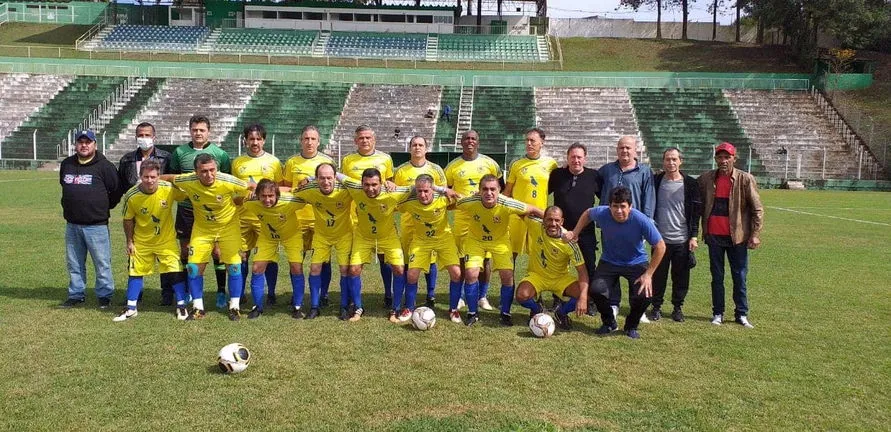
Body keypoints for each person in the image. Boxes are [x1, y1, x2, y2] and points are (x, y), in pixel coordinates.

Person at [162, 153, 251, 321]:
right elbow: (167, 177)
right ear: (196, 172)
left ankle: (234, 307)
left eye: (212, 170)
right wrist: (149, 182)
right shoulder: (187, 180)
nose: (209, 175)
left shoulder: (228, 180)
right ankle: (198, 308)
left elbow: (251, 187)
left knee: (234, 267)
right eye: (204, 171)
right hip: (203, 229)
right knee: (194, 268)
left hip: (228, 228)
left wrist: (240, 200)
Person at [569, 186, 666, 339]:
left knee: (644, 296)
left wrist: (648, 274)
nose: (619, 210)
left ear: (630, 207)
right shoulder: (602, 213)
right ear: (610, 206)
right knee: (596, 290)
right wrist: (575, 232)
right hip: (610, 261)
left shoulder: (641, 220)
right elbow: (588, 213)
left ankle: (631, 326)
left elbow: (660, 246)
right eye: (615, 206)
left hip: (636, 262)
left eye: (623, 206)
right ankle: (609, 323)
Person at [455, 174, 543, 326]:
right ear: (479, 190)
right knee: (471, 274)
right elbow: (450, 203)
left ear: (499, 190)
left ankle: (505, 313)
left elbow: (533, 209)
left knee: (507, 275)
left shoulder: (507, 203)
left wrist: (553, 222)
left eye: (492, 189)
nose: (489, 193)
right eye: (485, 189)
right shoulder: (470, 202)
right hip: (475, 241)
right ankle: (472, 313)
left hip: (500, 241)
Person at [168, 115, 232, 311]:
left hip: (213, 213)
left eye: (202, 130)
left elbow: (227, 181)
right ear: (190, 130)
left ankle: (221, 291)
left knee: (217, 252)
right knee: (187, 251)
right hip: (187, 210)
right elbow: (173, 178)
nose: (198, 133)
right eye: (194, 129)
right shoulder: (179, 152)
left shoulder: (220, 154)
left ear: (208, 132)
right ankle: (189, 289)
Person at [699, 142, 764, 328]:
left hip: (737, 237)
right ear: (715, 159)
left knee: (739, 276)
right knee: (717, 277)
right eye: (720, 157)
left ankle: (741, 314)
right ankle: (717, 312)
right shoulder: (706, 179)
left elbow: (757, 208)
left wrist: (755, 233)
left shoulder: (745, 179)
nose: (723, 160)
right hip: (714, 236)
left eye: (727, 157)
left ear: (734, 158)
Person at [115, 160, 189, 321]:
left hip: (166, 240)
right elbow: (128, 220)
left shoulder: (168, 189)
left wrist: (172, 179)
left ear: (159, 176)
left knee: (175, 270)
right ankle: (131, 308)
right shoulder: (131, 195)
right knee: (135, 272)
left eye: (153, 177)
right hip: (142, 241)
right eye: (146, 177)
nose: (150, 180)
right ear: (140, 176)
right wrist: (129, 241)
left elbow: (186, 193)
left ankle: (182, 306)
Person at [338, 168, 413, 322]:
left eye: (374, 184)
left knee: (399, 269)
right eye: (366, 185)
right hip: (363, 236)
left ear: (381, 183)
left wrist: (443, 190)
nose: (370, 189)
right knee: (354, 270)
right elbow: (335, 174)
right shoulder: (355, 188)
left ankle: (395, 308)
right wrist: (310, 179)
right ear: (361, 183)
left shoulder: (393, 192)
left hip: (388, 237)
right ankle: (358, 307)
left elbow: (416, 186)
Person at [59, 129, 122, 309]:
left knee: (102, 263)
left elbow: (116, 190)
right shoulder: (67, 164)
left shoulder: (105, 166)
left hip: (96, 225)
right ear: (75, 144)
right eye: (81, 142)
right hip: (72, 225)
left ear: (95, 144)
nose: (84, 145)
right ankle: (76, 294)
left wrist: (102, 207)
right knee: (74, 263)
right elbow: (64, 185)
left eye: (88, 142)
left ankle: (105, 295)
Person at [598, 135, 655, 322]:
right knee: (612, 261)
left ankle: (638, 308)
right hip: (610, 226)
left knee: (635, 264)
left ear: (635, 150)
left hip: (635, 227)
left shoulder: (645, 171)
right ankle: (613, 303)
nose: (625, 151)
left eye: (628, 148)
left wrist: (647, 224)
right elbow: (598, 189)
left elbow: (649, 197)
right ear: (617, 150)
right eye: (621, 148)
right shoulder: (607, 170)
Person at [116, 122, 174, 304]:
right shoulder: (126, 160)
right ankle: (135, 295)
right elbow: (121, 185)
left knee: (165, 257)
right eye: (141, 135)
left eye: (147, 135)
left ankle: (167, 295)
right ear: (136, 137)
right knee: (135, 253)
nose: (144, 138)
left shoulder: (166, 158)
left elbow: (172, 181)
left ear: (154, 137)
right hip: (137, 211)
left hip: (159, 211)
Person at [444, 130, 502, 311]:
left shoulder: (490, 163)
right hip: (463, 219)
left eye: (473, 138)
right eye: (467, 138)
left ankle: (482, 296)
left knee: (486, 258)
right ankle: (461, 295)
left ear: (478, 142)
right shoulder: (453, 166)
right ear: (461, 142)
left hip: (487, 218)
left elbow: (503, 188)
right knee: (462, 257)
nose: (470, 141)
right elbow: (445, 191)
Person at [341, 125, 396, 308]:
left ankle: (388, 294)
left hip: (380, 218)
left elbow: (391, 185)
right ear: (355, 140)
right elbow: (344, 187)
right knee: (354, 262)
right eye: (361, 138)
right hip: (356, 219)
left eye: (368, 138)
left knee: (384, 259)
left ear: (374, 139)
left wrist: (389, 182)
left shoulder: (385, 158)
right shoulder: (348, 160)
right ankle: (351, 297)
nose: (365, 141)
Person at [397, 174, 464, 323]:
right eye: (419, 191)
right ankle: (409, 307)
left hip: (444, 239)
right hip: (421, 241)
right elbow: (394, 201)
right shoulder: (410, 202)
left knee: (456, 273)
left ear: (432, 190)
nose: (423, 194)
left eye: (426, 191)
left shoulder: (443, 199)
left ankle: (453, 310)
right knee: (412, 275)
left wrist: (444, 190)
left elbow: (461, 198)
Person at [282, 125, 336, 308]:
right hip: (298, 218)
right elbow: (287, 189)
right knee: (298, 258)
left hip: (321, 218)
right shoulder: (292, 162)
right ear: (301, 141)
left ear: (319, 142)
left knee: (323, 259)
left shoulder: (327, 161)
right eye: (306, 138)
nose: (309, 142)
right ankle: (297, 293)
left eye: (313, 139)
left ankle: (324, 294)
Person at [292, 163, 354, 320]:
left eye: (329, 178)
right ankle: (314, 307)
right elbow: (290, 193)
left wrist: (312, 177)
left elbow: (360, 186)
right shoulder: (310, 190)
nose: (326, 182)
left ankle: (344, 306)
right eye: (321, 178)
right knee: (314, 269)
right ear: (316, 179)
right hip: (321, 236)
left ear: (335, 178)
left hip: (344, 235)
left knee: (345, 270)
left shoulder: (345, 190)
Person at [231, 124, 282, 306]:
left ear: (264, 140)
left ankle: (272, 292)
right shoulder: (237, 163)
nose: (255, 142)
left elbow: (279, 190)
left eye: (258, 139)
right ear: (245, 141)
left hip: (266, 218)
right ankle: (241, 292)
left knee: (269, 256)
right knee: (242, 255)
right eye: (251, 139)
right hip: (243, 217)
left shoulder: (274, 162)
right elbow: (234, 191)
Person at [648, 148, 701, 322]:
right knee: (658, 275)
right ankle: (656, 307)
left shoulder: (691, 184)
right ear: (663, 162)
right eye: (667, 159)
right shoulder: (655, 181)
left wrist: (693, 235)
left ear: (680, 161)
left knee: (681, 276)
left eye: (674, 159)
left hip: (682, 239)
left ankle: (678, 307)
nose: (671, 163)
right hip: (660, 239)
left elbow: (695, 212)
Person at [548, 142, 602, 316]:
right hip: (560, 231)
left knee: (588, 267)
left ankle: (590, 301)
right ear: (567, 158)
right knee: (557, 266)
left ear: (585, 158)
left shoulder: (594, 176)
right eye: (573, 157)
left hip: (585, 233)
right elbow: (543, 194)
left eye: (579, 157)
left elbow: (605, 200)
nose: (576, 160)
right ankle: (557, 297)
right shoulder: (557, 175)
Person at [394, 136, 447, 308]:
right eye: (414, 145)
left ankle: (430, 295)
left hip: (431, 222)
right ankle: (412, 295)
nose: (417, 147)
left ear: (426, 148)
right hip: (409, 221)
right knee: (411, 259)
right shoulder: (401, 171)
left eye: (421, 145)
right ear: (409, 148)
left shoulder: (436, 169)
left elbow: (444, 193)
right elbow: (396, 195)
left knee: (431, 259)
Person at [241, 179, 306, 320]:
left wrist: (291, 189)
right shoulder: (251, 202)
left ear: (277, 195)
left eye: (271, 196)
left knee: (296, 268)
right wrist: (248, 189)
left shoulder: (291, 201)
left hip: (292, 236)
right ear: (258, 195)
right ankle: (257, 307)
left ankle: (297, 306)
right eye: (263, 196)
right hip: (267, 237)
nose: (267, 200)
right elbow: (236, 200)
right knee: (257, 268)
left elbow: (304, 197)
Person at [515, 207, 588, 331]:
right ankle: (537, 309)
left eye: (556, 220)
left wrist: (583, 297)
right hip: (537, 276)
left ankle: (561, 313)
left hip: (560, 278)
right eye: (549, 219)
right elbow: (521, 209)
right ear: (543, 219)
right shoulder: (535, 225)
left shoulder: (569, 242)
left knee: (583, 295)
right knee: (521, 295)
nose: (553, 224)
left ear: (562, 221)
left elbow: (582, 271)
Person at [504, 127, 558, 259]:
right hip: (518, 215)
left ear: (542, 143)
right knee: (511, 255)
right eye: (527, 140)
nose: (529, 144)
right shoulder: (516, 164)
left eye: (532, 141)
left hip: (540, 215)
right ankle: (509, 281)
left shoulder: (551, 164)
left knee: (539, 253)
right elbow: (507, 192)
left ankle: (536, 280)